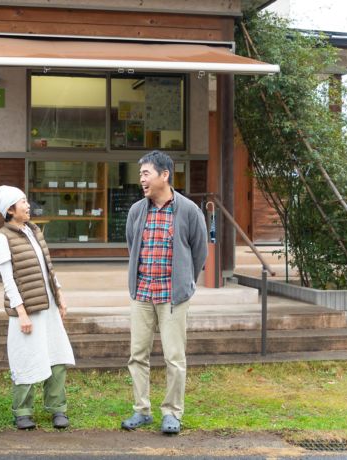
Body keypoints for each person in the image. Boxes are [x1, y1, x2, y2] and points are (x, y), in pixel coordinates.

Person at [121, 151, 207, 435]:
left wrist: (185, 284)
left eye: (146, 173)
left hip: (173, 297)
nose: (141, 179)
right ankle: (141, 410)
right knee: (137, 355)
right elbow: (133, 246)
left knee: (174, 357)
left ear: (164, 175)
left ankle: (172, 413)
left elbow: (199, 252)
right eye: (141, 175)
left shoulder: (189, 210)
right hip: (143, 293)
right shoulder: (137, 211)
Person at [0, 185, 76, 430]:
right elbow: (8, 281)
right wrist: (22, 314)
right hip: (25, 312)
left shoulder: (34, 230)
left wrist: (60, 296)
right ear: (9, 209)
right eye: (23, 201)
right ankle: (22, 411)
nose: (28, 205)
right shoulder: (2, 239)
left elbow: (48, 268)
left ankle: (58, 409)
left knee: (56, 356)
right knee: (25, 358)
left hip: (47, 307)